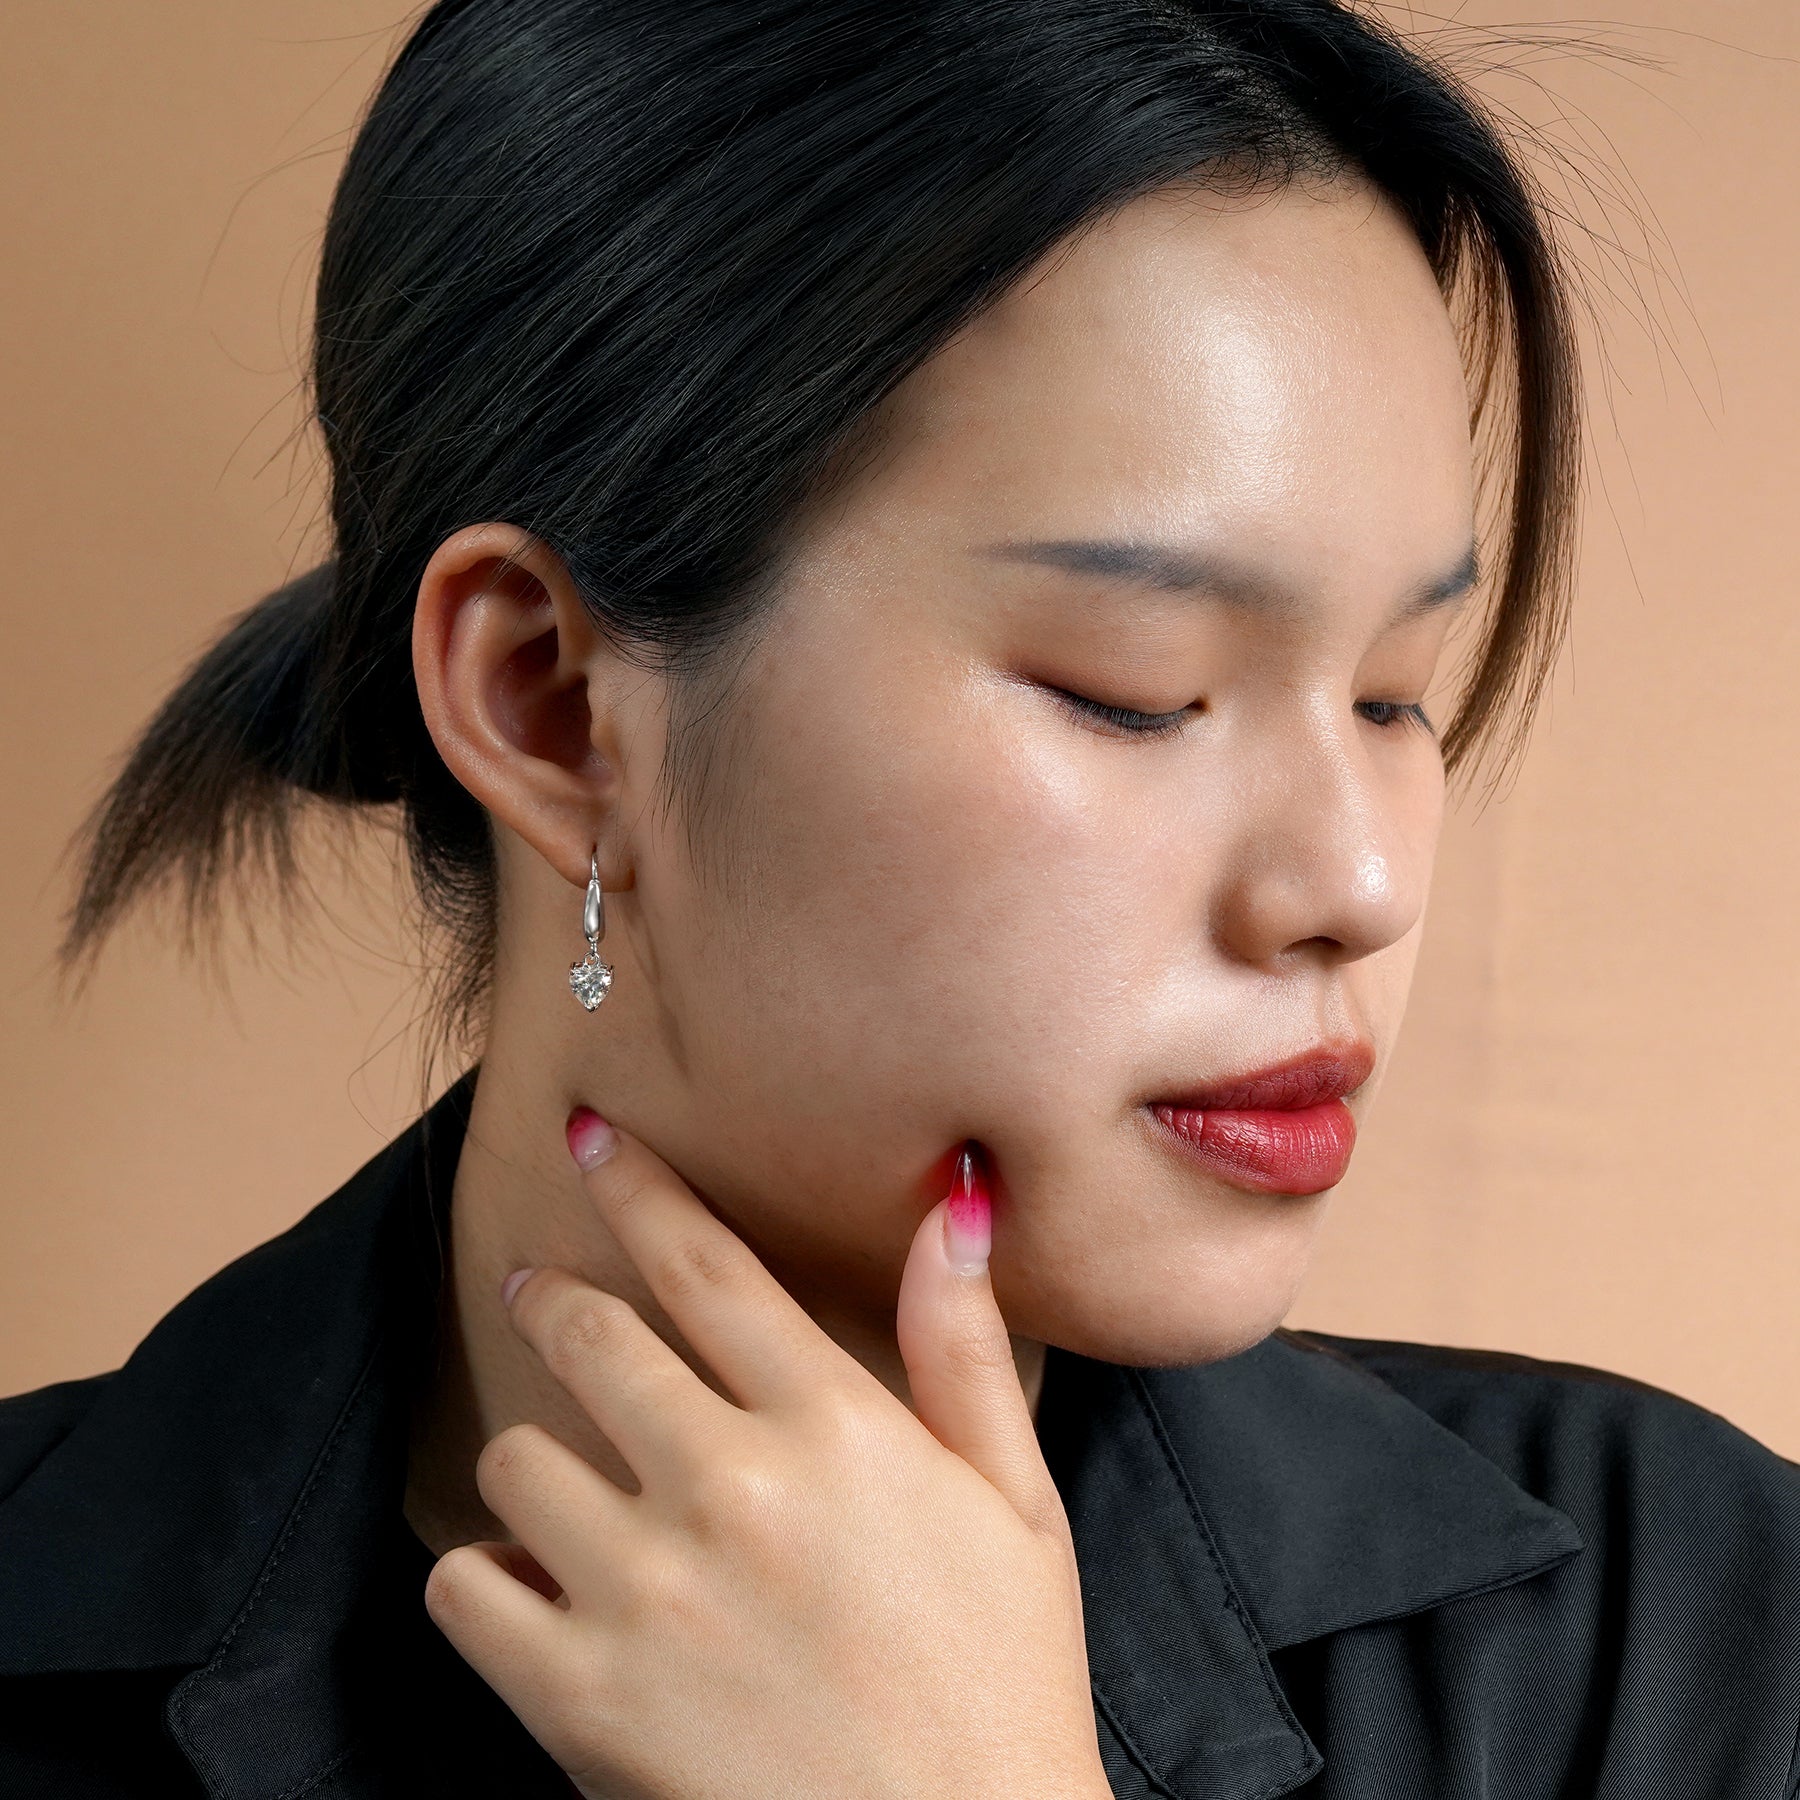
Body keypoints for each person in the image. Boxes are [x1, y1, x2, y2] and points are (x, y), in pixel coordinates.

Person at [3, 1, 1797, 1795]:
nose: (1361, 883)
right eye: (1138, 687)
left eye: (1397, 696)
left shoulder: (1692, 1635)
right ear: (549, 704)